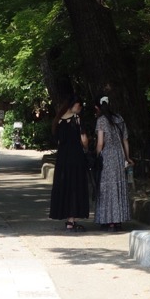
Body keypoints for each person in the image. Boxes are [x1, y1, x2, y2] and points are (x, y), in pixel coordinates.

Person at [49, 97, 90, 231]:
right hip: (76, 156)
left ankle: (68, 219)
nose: (80, 108)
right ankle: (72, 219)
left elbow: (59, 141)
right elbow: (83, 138)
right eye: (79, 105)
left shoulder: (58, 120)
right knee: (75, 185)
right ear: (72, 104)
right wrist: (86, 149)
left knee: (65, 185)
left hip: (62, 157)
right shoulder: (77, 119)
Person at [94, 95, 133, 230]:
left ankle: (108, 220)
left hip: (107, 156)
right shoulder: (119, 118)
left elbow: (100, 143)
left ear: (97, 107)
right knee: (118, 187)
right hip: (119, 155)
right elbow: (125, 140)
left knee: (107, 188)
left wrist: (97, 155)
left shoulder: (101, 121)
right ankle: (118, 221)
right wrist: (127, 158)